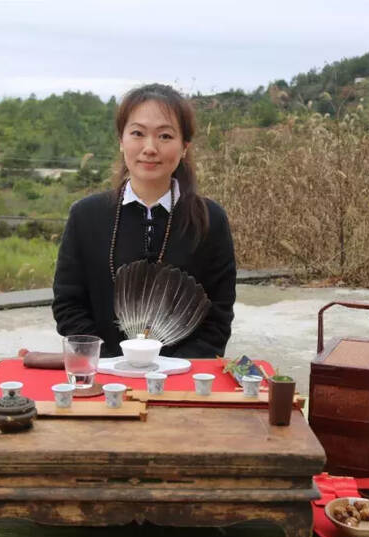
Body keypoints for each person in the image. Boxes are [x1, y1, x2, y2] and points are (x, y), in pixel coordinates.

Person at [52, 83, 236, 358]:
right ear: (121, 140)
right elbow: (69, 305)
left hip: (181, 379)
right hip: (105, 375)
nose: (150, 148)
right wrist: (110, 362)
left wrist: (169, 371)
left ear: (184, 146)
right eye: (137, 133)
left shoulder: (210, 220)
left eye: (164, 136)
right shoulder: (86, 216)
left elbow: (218, 315)